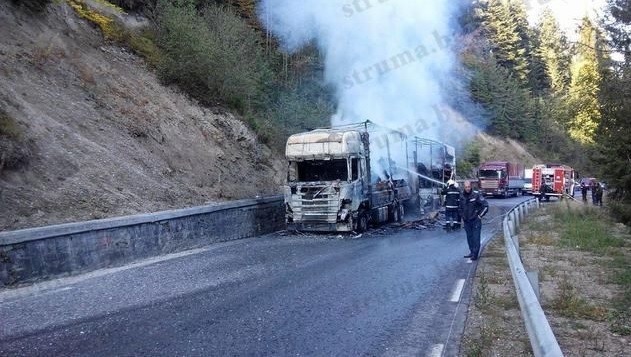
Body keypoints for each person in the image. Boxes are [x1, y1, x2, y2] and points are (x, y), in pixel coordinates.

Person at [459, 180, 489, 261]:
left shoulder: (476, 195)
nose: (467, 188)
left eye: (468, 187)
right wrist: (462, 216)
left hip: (475, 220)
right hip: (466, 221)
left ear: (471, 186)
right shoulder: (462, 196)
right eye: (466, 187)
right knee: (469, 238)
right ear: (464, 187)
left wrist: (480, 216)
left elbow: (485, 206)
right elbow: (460, 208)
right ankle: (472, 252)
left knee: (476, 238)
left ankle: (475, 254)